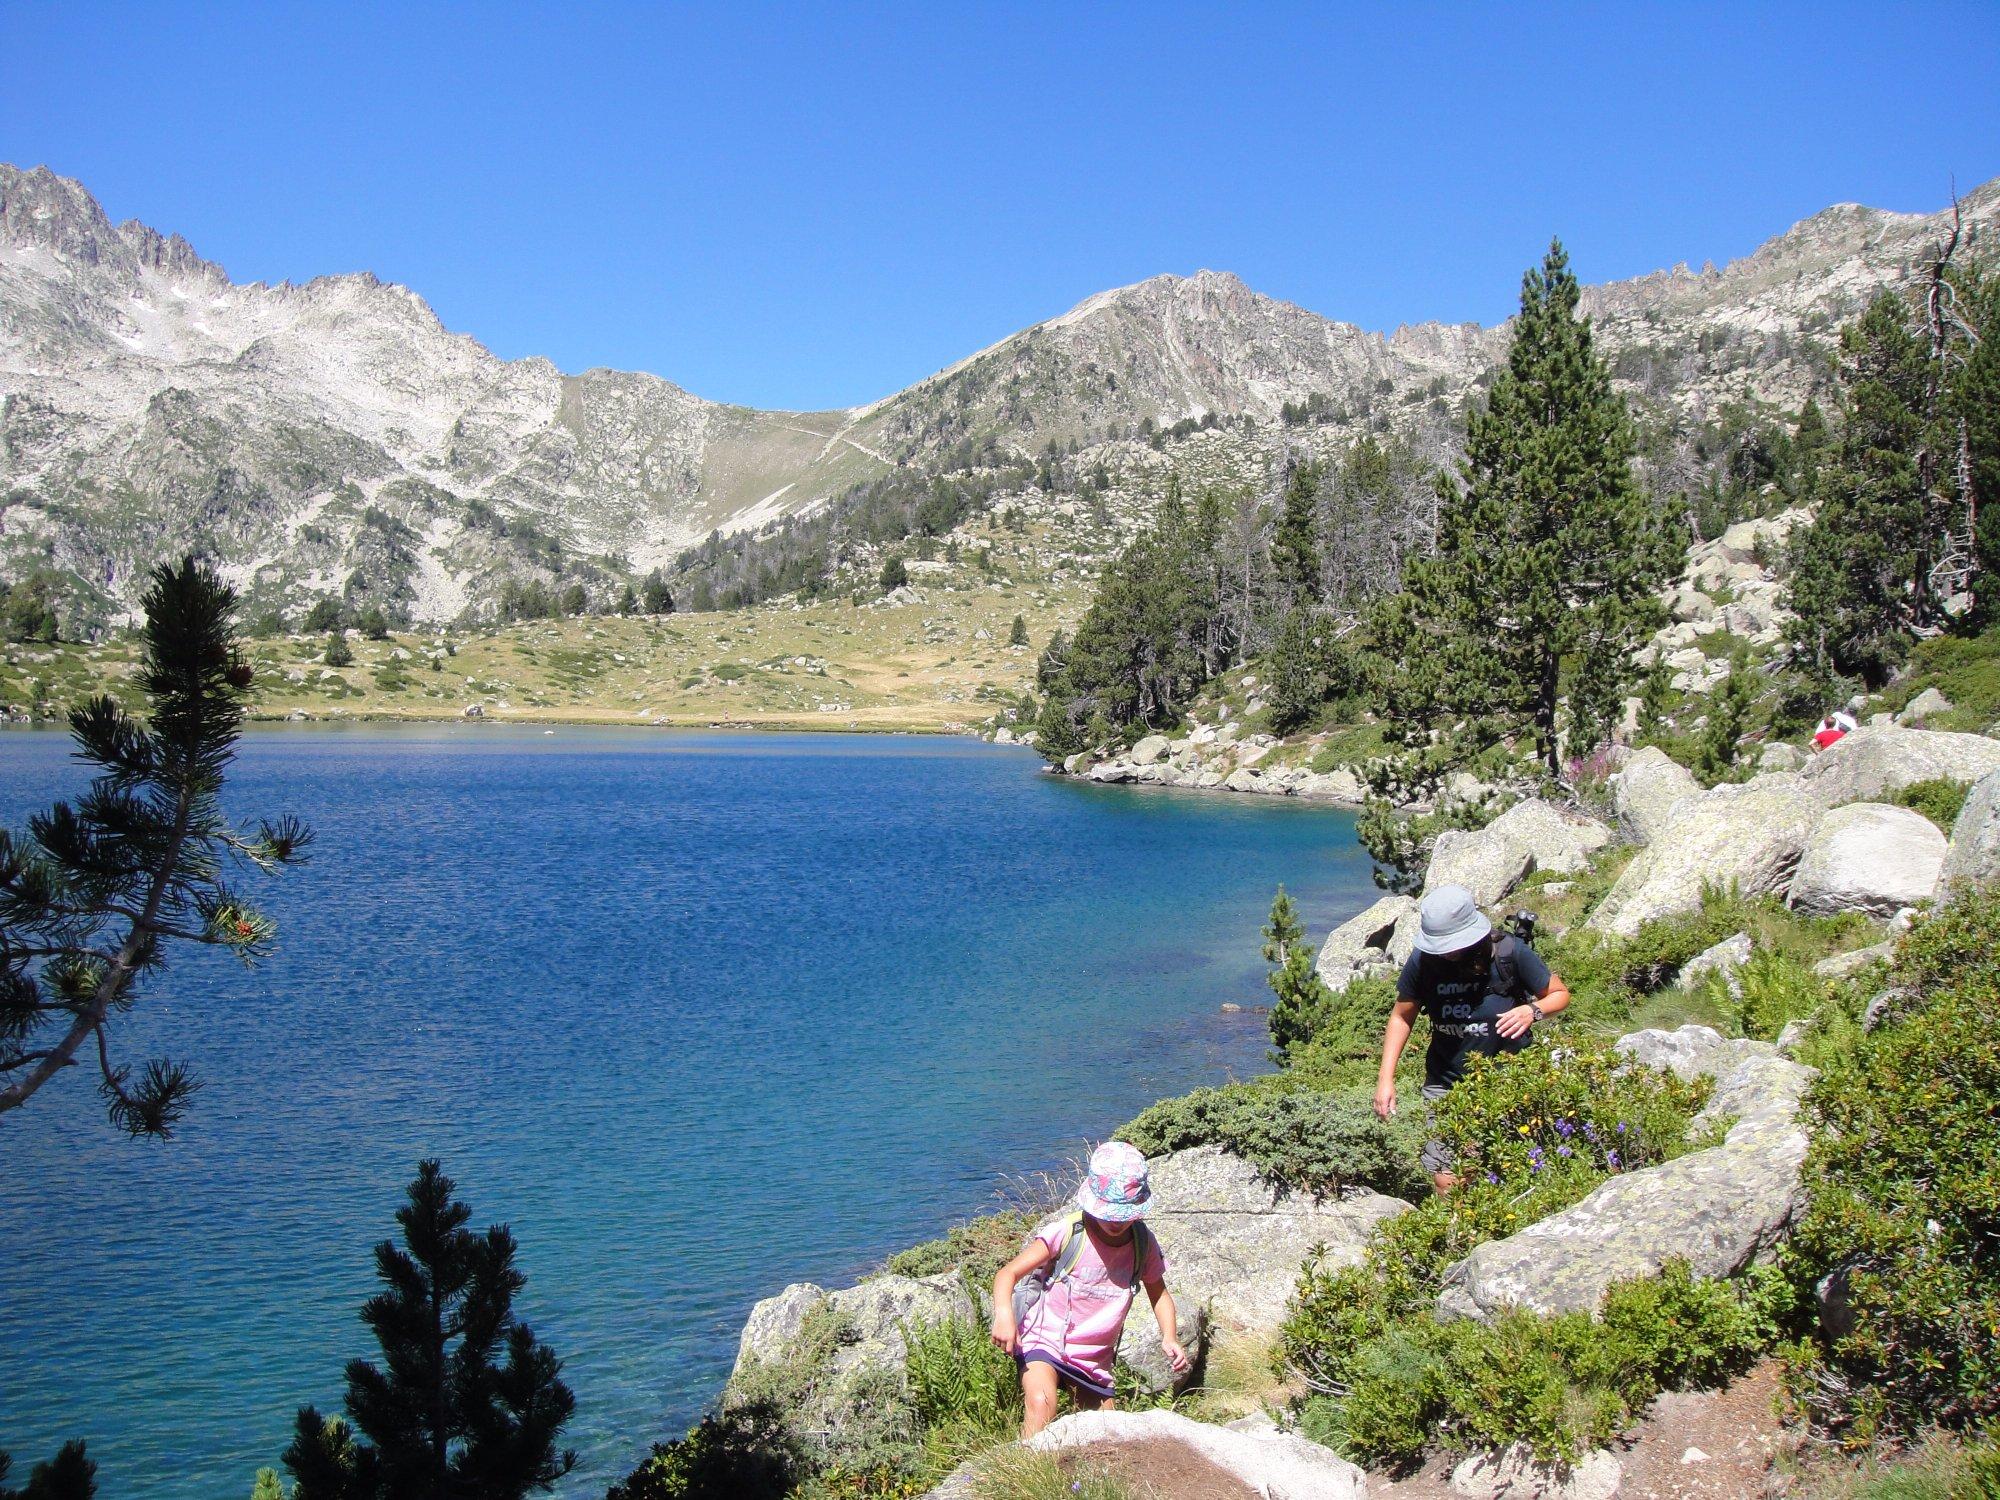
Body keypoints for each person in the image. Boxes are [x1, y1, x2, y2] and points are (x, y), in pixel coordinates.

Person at [1372, 883, 1571, 1194]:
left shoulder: (1510, 953)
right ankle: (1460, 1237)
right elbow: (1401, 1016)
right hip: (1446, 1082)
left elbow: (1559, 995)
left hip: (1511, 1078)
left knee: (1511, 1164)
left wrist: (1532, 1011)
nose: (1449, 952)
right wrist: (1386, 1079)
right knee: (1447, 1176)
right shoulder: (1423, 962)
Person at [989, 1141, 1189, 1437]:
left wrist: (1169, 1336)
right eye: (1109, 1213)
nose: (1115, 1222)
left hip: (1094, 1358)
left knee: (1107, 1434)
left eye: (1124, 1214)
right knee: (1042, 1403)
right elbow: (1008, 1274)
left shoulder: (1142, 1243)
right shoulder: (1068, 1232)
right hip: (1046, 1341)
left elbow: (1158, 1293)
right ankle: (1024, 1469)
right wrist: (1004, 1315)